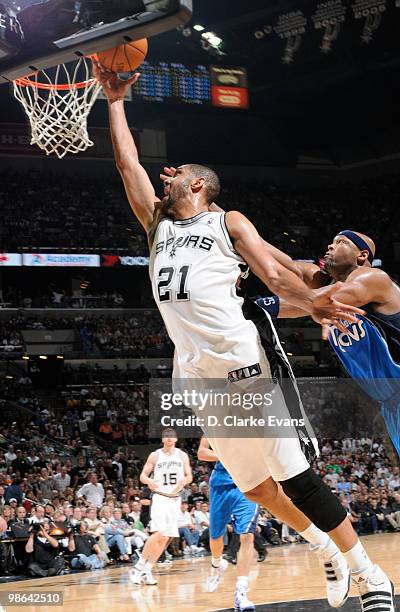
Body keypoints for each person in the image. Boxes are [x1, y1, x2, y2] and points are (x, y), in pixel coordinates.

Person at [93, 63, 394, 611]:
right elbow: (126, 163)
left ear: (199, 185)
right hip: (197, 378)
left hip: (242, 365)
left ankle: (372, 576)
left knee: (296, 479)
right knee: (255, 489)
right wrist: (114, 101)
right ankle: (324, 546)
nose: (167, 176)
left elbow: (277, 276)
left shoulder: (227, 220)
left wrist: (314, 303)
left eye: (179, 173)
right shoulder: (157, 226)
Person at [198, 437, 261, 611]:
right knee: (216, 537)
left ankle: (241, 592)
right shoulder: (214, 422)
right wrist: (226, 455)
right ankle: (216, 565)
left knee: (247, 536)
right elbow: (202, 452)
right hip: (221, 486)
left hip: (247, 485)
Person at [130, 428, 192, 586]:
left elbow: (189, 475)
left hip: (175, 500)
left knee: (166, 537)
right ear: (163, 439)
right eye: (167, 436)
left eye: (172, 436)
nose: (170, 439)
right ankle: (138, 568)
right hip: (160, 498)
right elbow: (143, 476)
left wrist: (184, 481)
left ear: (176, 439)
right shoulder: (155, 455)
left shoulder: (182, 455)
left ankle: (147, 570)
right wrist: (149, 481)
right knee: (157, 534)